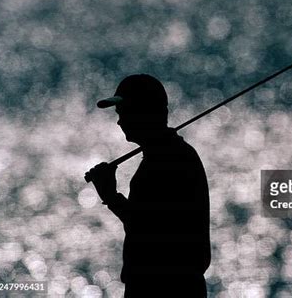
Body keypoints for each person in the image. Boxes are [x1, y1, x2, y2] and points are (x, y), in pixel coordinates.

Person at [85, 74, 211, 297]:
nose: (120, 121)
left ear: (144, 112)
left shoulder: (168, 161)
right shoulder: (169, 155)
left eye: (125, 112)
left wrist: (111, 196)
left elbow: (150, 231)